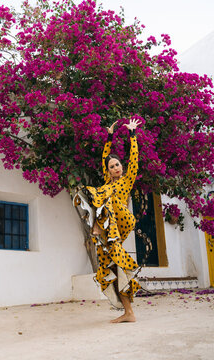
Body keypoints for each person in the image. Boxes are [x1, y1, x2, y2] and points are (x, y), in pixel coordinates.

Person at [74, 118, 141, 323]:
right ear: (108, 170)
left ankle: (100, 229)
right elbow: (104, 156)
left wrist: (132, 135)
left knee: (105, 197)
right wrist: (109, 137)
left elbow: (134, 160)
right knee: (114, 269)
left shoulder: (126, 181)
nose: (116, 168)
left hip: (121, 220)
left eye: (118, 164)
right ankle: (128, 312)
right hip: (107, 232)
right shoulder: (107, 183)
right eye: (112, 166)